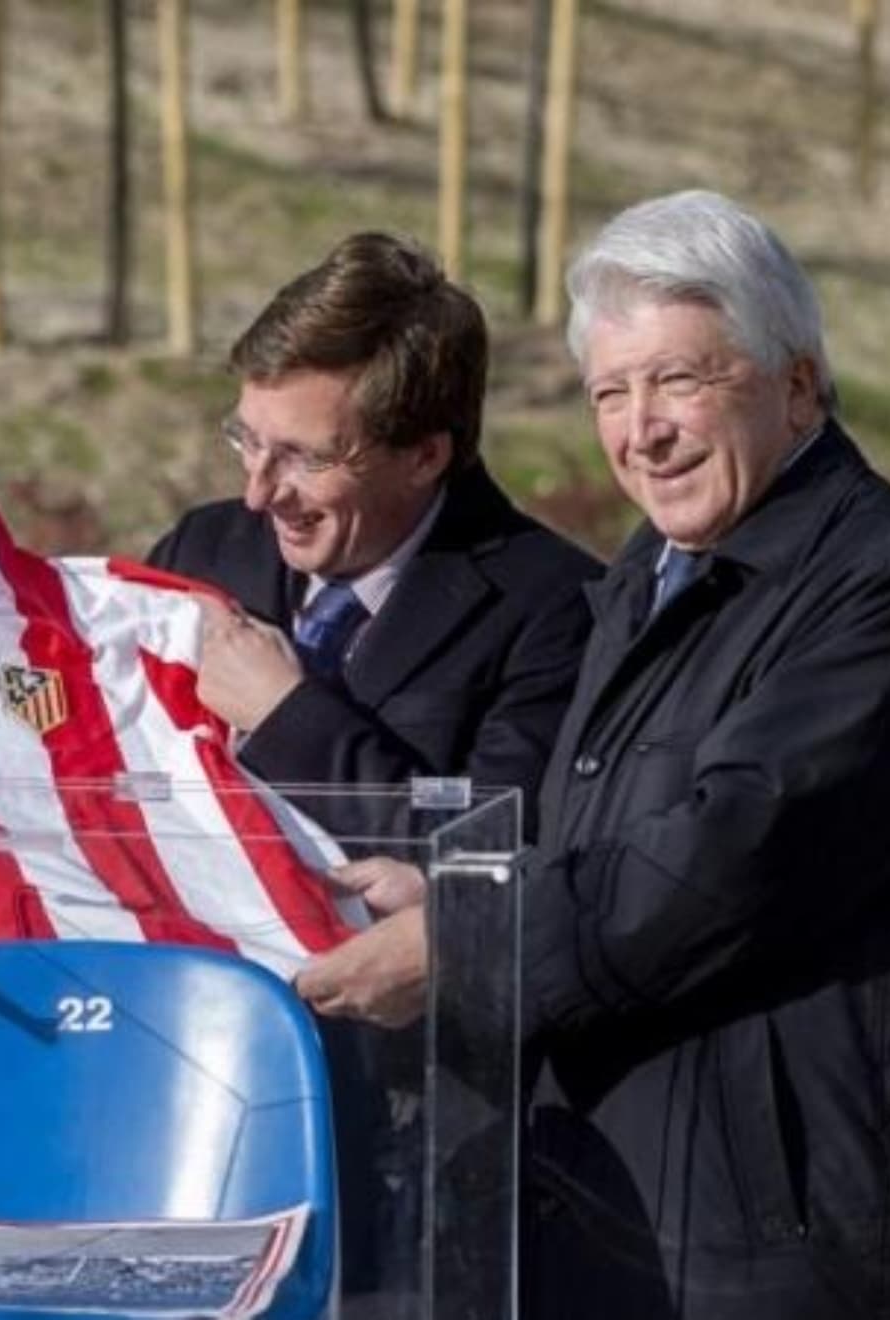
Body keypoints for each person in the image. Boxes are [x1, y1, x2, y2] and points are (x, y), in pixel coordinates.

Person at [309, 191, 890, 1319]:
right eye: (609, 394)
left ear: (798, 384)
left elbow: (729, 859)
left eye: (680, 380)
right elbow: (605, 838)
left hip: (788, 1248)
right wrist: (457, 892)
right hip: (623, 1210)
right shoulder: (654, 569)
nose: (642, 430)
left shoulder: (887, 587)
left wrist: (467, 942)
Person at [148, 233, 599, 1296]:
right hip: (189, 1096)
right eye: (246, 441)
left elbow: (488, 866)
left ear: (426, 454)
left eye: (306, 458)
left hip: (412, 1149)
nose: (260, 493)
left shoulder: (556, 609)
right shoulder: (205, 552)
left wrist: (289, 717)